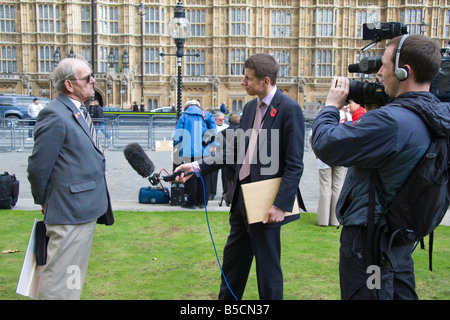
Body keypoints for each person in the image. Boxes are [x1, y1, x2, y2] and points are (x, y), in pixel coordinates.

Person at [311, 34, 450, 299]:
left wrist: (330, 106)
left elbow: (326, 145)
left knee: (370, 294)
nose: (379, 73)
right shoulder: (435, 115)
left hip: (371, 243)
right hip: (400, 238)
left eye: (384, 65)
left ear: (403, 71)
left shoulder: (393, 122)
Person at [175, 53, 305, 300]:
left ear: (265, 81)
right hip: (241, 200)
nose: (242, 82)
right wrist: (197, 167)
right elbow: (233, 152)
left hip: (266, 203)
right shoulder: (248, 108)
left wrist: (280, 205)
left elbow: (294, 165)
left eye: (247, 78)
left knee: (268, 272)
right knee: (232, 266)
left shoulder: (289, 109)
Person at [27, 58, 114, 300]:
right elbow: (38, 167)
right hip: (69, 211)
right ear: (69, 85)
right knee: (59, 282)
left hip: (84, 209)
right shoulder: (54, 114)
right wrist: (44, 200)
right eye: (87, 78)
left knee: (73, 275)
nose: (93, 81)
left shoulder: (76, 111)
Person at [173, 99, 217, 209]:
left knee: (190, 175)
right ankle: (203, 202)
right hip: (204, 150)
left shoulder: (184, 116)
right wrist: (212, 144)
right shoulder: (206, 114)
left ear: (187, 107)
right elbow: (214, 131)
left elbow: (178, 133)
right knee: (204, 175)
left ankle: (191, 202)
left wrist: (176, 146)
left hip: (188, 150)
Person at [209, 112, 229, 200]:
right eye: (220, 120)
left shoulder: (227, 127)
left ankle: (226, 193)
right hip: (215, 153)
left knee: (226, 175)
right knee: (213, 174)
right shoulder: (212, 128)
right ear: (215, 120)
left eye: (223, 119)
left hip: (224, 153)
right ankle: (211, 193)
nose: (222, 121)